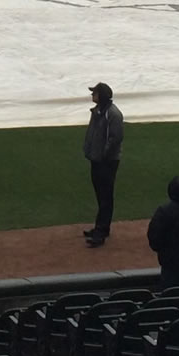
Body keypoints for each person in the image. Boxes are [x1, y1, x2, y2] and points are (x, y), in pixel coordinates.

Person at [80, 82, 123, 248]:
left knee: (105, 195)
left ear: (101, 96)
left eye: (95, 93)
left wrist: (104, 154)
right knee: (100, 193)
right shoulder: (97, 112)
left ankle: (101, 230)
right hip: (96, 159)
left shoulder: (113, 114)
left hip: (107, 161)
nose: (92, 96)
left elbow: (116, 138)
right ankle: (102, 227)